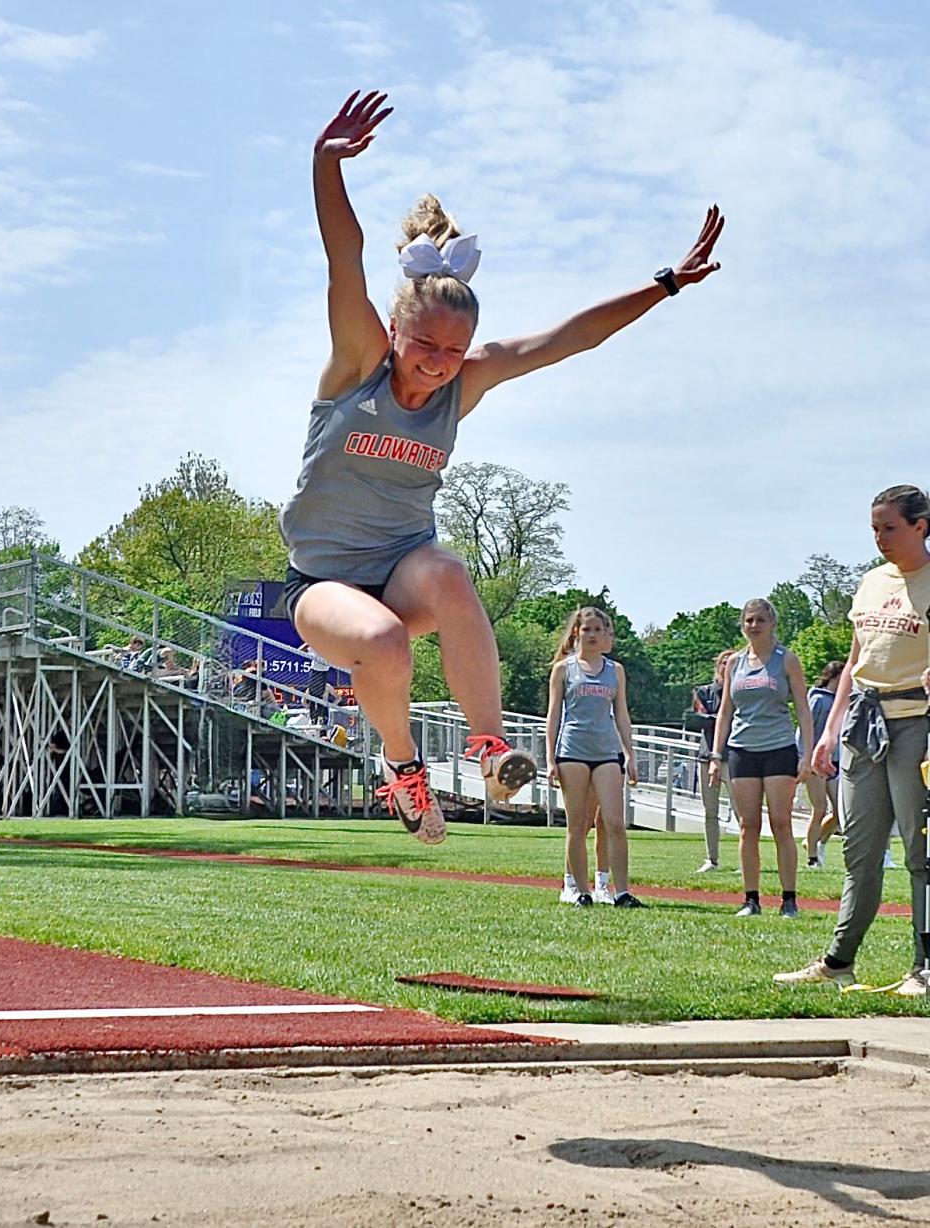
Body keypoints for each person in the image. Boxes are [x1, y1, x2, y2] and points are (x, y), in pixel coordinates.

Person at [280, 90, 725, 846]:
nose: (437, 366)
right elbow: (342, 259)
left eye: (453, 353)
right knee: (383, 642)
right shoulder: (359, 362)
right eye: (424, 347)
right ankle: (403, 768)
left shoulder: (464, 380)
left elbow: (567, 339)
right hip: (324, 583)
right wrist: (325, 166)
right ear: (394, 329)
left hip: (402, 569)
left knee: (450, 573)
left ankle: (490, 750)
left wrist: (666, 283)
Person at [775, 485, 930, 996]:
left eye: (890, 528)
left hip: (917, 725)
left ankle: (924, 965)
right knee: (859, 851)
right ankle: (839, 960)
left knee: (919, 851)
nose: (880, 538)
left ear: (920, 526)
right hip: (863, 727)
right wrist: (828, 731)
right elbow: (855, 661)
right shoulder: (870, 582)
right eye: (874, 529)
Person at [709, 598, 813, 918]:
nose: (754, 625)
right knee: (747, 825)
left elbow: (803, 711)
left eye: (760, 620)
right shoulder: (734, 664)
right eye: (749, 620)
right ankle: (751, 899)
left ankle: (789, 900)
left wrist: (807, 753)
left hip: (779, 748)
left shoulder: (786, 660)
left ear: (772, 624)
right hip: (742, 750)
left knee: (781, 822)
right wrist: (716, 755)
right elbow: (725, 711)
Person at [546, 607, 642, 908]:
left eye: (597, 630)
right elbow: (553, 717)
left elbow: (622, 714)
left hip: (607, 753)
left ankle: (622, 891)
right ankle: (579, 890)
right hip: (572, 751)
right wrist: (550, 759)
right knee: (577, 824)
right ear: (576, 632)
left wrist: (630, 753)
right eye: (585, 629)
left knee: (614, 821)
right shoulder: (564, 669)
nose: (591, 635)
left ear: (605, 635)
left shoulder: (615, 671)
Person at [692, 648, 737, 872]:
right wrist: (721, 718)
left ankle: (744, 860)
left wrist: (717, 718)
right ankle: (712, 859)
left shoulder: (741, 692)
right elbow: (698, 719)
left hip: (735, 756)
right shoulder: (703, 691)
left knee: (741, 811)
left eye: (732, 663)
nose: (726, 667)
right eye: (723, 663)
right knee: (710, 810)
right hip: (707, 755)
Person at [800, 659, 844, 867]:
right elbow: (805, 728)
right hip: (815, 762)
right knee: (819, 808)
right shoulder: (818, 699)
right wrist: (804, 758)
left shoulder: (839, 701)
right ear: (835, 677)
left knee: (839, 811)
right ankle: (812, 858)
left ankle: (817, 843)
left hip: (833, 763)